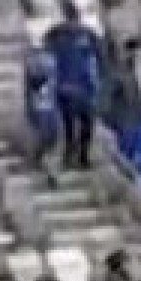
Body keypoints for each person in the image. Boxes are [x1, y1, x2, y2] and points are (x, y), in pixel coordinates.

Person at [44, 12, 104, 169]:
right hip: (74, 87)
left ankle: (75, 156)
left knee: (76, 125)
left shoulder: (58, 34)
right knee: (78, 124)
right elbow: (99, 55)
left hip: (72, 87)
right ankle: (77, 156)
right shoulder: (82, 34)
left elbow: (99, 55)